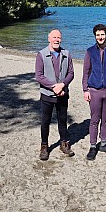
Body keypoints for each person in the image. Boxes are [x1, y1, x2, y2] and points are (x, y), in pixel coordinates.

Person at [82, 24, 106, 161]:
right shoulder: (90, 52)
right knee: (94, 119)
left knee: (105, 119)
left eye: (102, 34)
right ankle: (93, 146)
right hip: (94, 90)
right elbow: (86, 72)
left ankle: (104, 144)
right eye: (98, 35)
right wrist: (85, 89)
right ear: (95, 36)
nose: (100, 37)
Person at [35, 28, 75, 161]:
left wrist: (62, 85)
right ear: (49, 39)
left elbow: (71, 74)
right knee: (45, 121)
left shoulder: (66, 54)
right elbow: (39, 76)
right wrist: (54, 87)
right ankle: (44, 146)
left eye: (58, 38)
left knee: (62, 120)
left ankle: (64, 144)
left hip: (63, 93)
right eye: (54, 37)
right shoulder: (41, 54)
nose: (56, 40)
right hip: (47, 94)